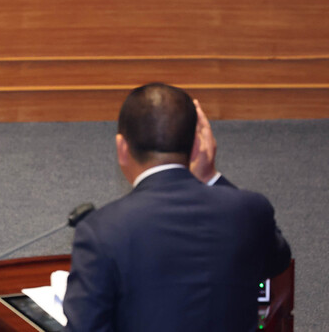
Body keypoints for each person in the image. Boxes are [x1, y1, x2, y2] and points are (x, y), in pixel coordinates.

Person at [63, 83, 291, 332]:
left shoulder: (100, 231)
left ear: (122, 148)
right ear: (197, 146)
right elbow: (278, 261)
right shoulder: (250, 211)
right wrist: (211, 176)